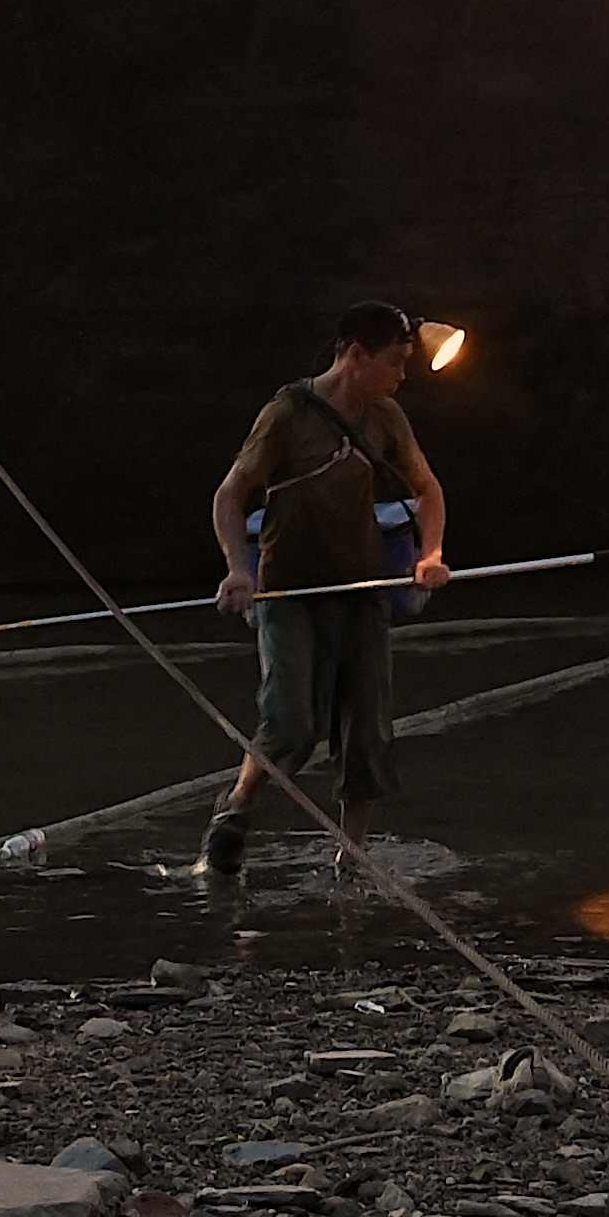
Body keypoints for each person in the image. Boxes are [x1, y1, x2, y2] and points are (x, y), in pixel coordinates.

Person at [198, 301, 450, 903]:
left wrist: (430, 554)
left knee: (367, 728)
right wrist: (238, 569)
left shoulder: (386, 417)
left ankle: (351, 853)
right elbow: (230, 496)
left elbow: (427, 488)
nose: (402, 376)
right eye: (395, 363)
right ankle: (234, 810)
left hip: (362, 591)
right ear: (356, 355)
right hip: (289, 591)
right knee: (290, 721)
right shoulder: (287, 414)